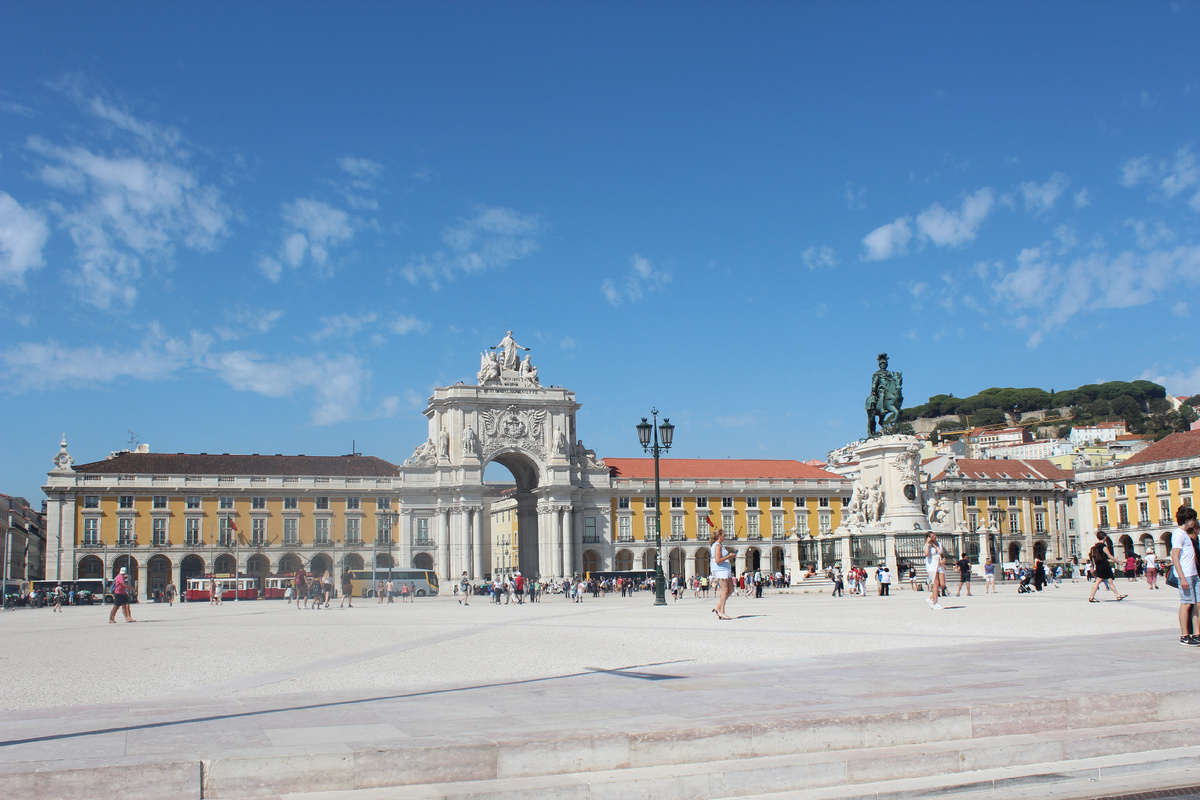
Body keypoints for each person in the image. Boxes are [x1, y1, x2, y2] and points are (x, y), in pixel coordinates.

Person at [1171, 505, 1200, 646]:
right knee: (1186, 603)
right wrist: (1182, 577)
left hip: (1193, 573)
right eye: (1194, 519)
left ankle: (1197, 633)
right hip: (1186, 574)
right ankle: (1184, 636)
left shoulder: (1184, 534)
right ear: (1188, 520)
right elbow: (1175, 556)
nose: (1196, 521)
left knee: (1197, 603)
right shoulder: (1178, 534)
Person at [1087, 532, 1126, 603]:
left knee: (1109, 581)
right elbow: (1109, 556)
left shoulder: (1095, 546)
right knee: (1099, 581)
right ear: (1104, 537)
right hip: (1104, 565)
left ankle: (1118, 595)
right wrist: (1118, 561)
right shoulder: (1103, 546)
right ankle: (1091, 597)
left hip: (1098, 565)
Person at [711, 528, 735, 619]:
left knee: (731, 589)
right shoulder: (717, 545)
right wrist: (729, 556)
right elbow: (717, 560)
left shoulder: (720, 545)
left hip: (725, 569)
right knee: (724, 590)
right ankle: (722, 611)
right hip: (721, 570)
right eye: (723, 534)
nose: (725, 536)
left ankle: (718, 606)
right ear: (719, 536)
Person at [924, 532, 944, 610]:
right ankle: (936, 603)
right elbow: (926, 553)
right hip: (932, 564)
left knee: (942, 585)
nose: (934, 537)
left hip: (939, 564)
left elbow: (942, 554)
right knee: (936, 583)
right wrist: (927, 543)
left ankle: (931, 598)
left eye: (934, 535)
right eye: (932, 537)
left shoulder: (939, 543)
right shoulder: (927, 546)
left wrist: (944, 560)